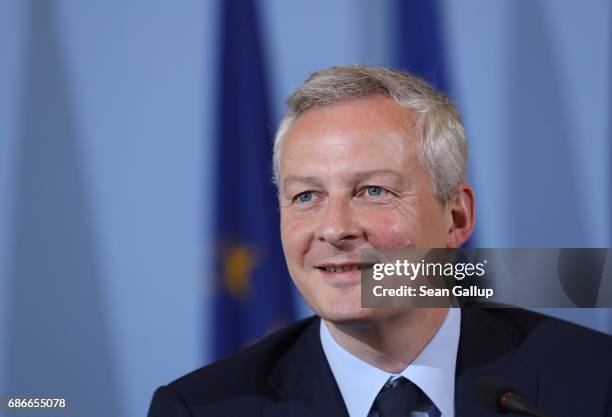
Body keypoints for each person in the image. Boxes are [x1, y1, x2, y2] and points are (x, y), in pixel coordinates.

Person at [148, 66, 612, 417]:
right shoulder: (202, 408)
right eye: (306, 196)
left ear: (457, 215)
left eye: (373, 192)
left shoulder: (593, 381)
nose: (334, 229)